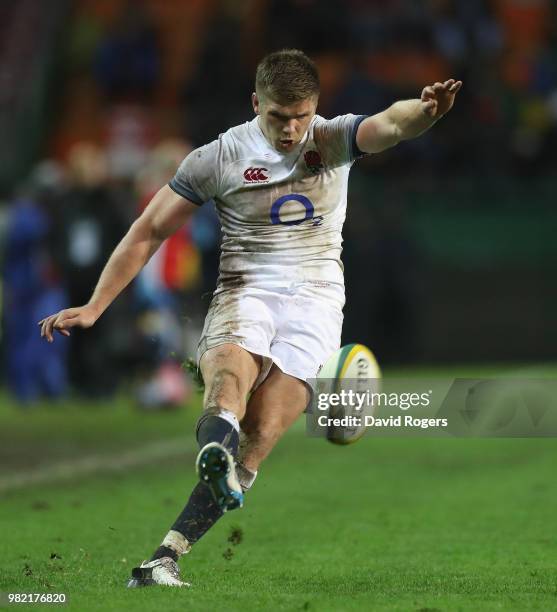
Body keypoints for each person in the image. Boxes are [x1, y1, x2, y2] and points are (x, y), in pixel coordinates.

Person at [38, 49, 461, 587]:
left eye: (301, 115)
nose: (291, 130)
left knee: (262, 432)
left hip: (317, 298)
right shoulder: (218, 157)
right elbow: (148, 230)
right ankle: (216, 446)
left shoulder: (331, 138)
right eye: (279, 116)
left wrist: (427, 112)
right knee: (231, 379)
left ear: (316, 107)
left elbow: (392, 124)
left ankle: (162, 559)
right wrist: (96, 306)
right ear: (256, 102)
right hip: (248, 286)